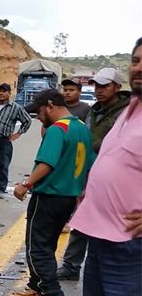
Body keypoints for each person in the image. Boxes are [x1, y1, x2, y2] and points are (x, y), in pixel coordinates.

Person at [50, 38, 142, 296]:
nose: (138, 67)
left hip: (131, 241)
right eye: (136, 61)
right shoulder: (130, 109)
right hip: (100, 231)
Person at [12, 89, 94, 296]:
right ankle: (36, 284)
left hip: (48, 196)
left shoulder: (58, 129)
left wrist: (25, 185)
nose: (38, 116)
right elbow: (89, 163)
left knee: (37, 247)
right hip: (67, 198)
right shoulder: (80, 128)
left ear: (50, 105)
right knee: (48, 244)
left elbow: (46, 164)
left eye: (39, 112)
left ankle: (52, 294)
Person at [56, 68, 131, 281]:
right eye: (96, 85)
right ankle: (71, 266)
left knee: (110, 225)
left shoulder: (126, 113)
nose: (99, 90)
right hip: (89, 172)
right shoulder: (93, 111)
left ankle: (110, 271)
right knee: (82, 218)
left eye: (104, 86)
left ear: (117, 87)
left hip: (115, 178)